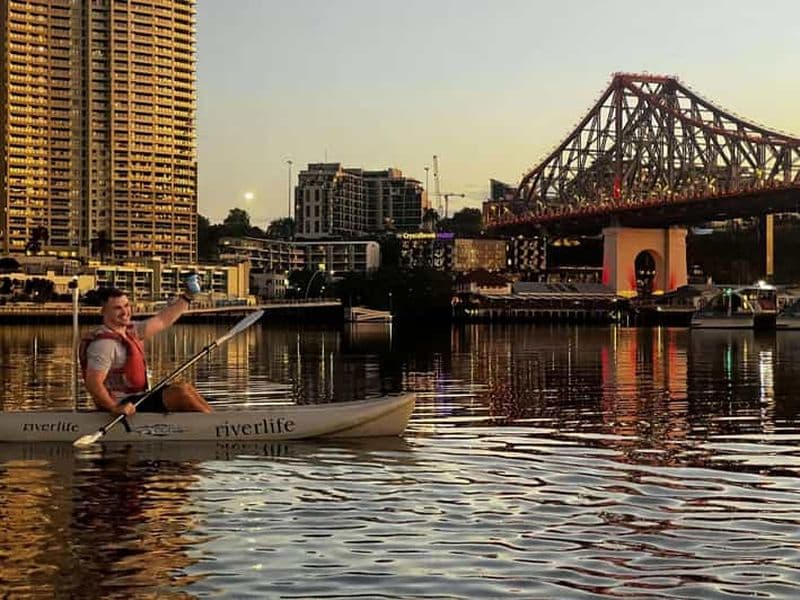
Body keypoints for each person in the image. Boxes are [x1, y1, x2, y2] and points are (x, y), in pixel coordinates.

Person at [80, 274, 212, 416]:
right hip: (122, 405)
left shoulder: (133, 331)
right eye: (117, 308)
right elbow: (93, 384)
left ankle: (216, 420)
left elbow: (163, 319)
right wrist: (114, 408)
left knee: (185, 387)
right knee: (181, 394)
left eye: (126, 305)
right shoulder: (103, 345)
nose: (125, 312)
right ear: (104, 311)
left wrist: (187, 296)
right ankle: (216, 426)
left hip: (138, 399)